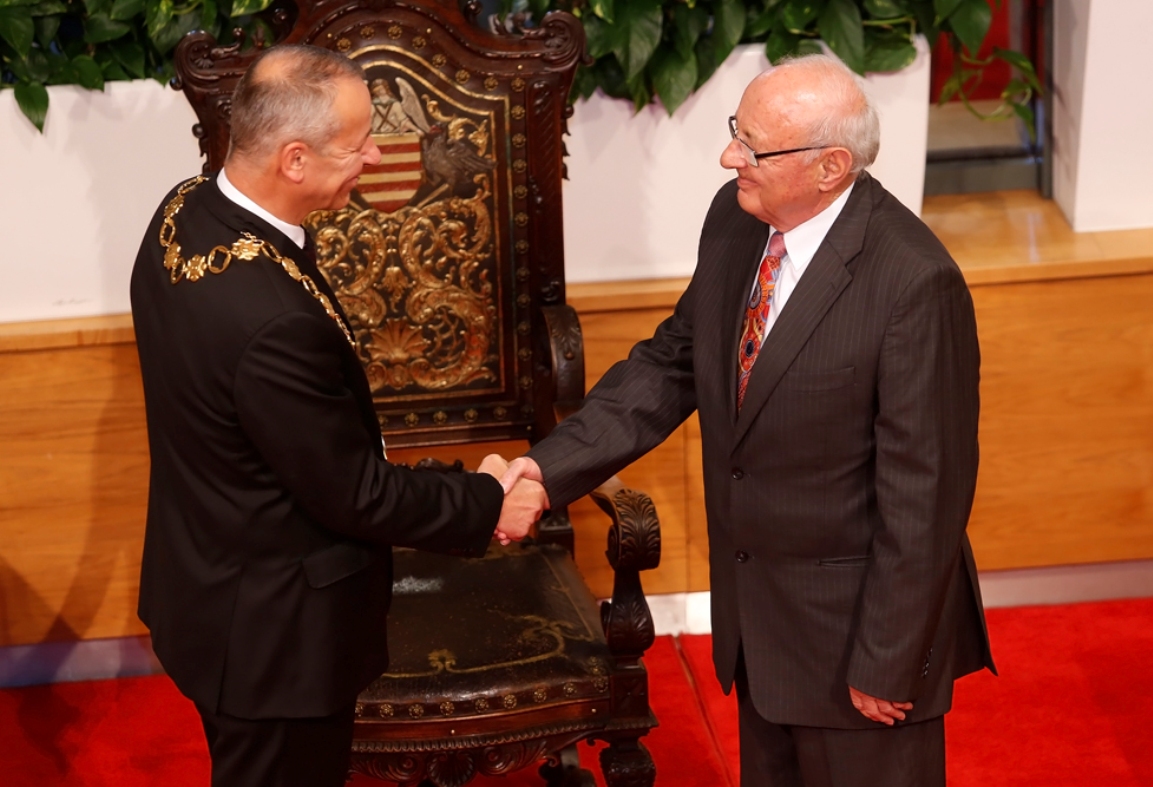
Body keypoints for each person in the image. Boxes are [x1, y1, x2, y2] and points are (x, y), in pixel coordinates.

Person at [496, 54, 995, 786]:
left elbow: (927, 494)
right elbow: (671, 364)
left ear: (830, 166)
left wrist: (890, 659)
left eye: (753, 147)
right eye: (737, 132)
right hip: (760, 629)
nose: (730, 157)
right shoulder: (737, 220)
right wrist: (546, 471)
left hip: (857, 645)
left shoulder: (915, 282)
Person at [130, 44, 544, 787]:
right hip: (275, 639)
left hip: (209, 583)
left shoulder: (184, 209)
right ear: (294, 159)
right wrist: (488, 501)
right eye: (358, 145)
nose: (375, 156)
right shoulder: (272, 323)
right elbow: (356, 493)